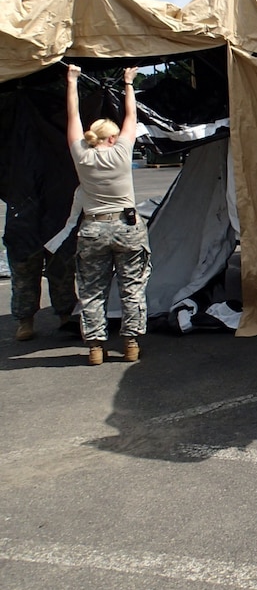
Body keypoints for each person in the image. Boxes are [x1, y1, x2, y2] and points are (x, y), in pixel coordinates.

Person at [66, 65, 151, 365]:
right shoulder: (121, 152)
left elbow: (73, 118)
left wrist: (72, 81)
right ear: (112, 138)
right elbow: (132, 116)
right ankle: (131, 344)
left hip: (92, 229)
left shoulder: (82, 155)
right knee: (132, 288)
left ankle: (95, 348)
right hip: (128, 227)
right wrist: (128, 83)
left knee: (91, 291)